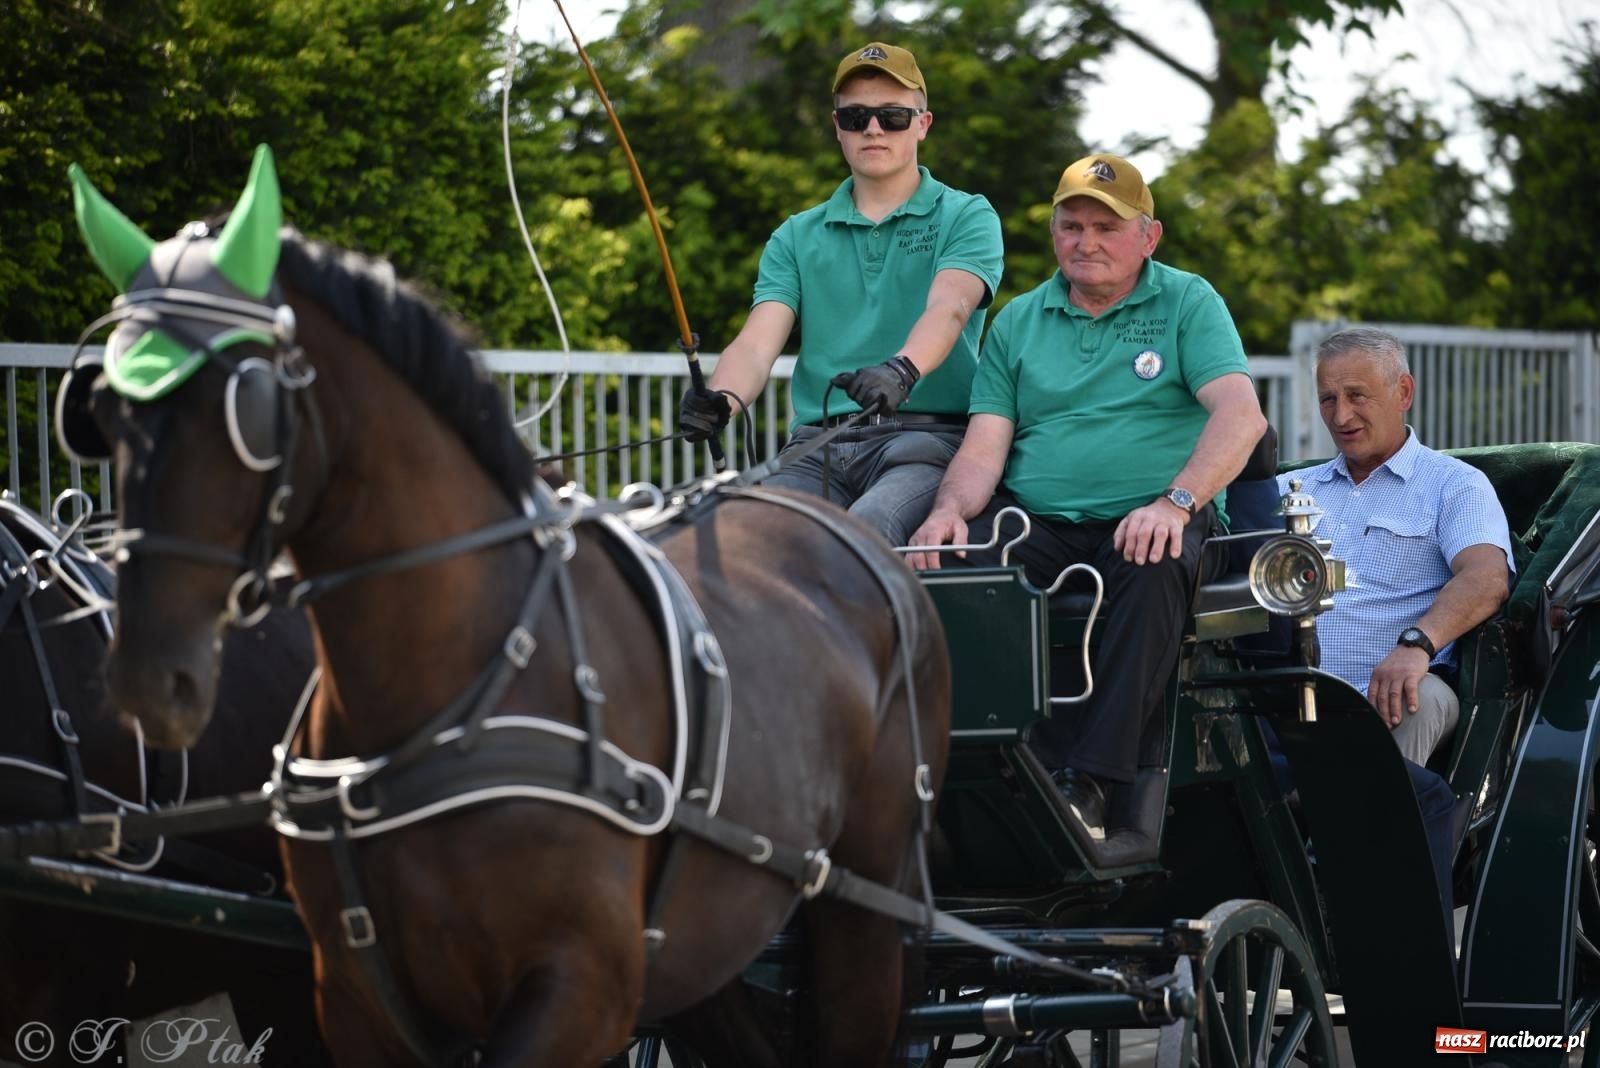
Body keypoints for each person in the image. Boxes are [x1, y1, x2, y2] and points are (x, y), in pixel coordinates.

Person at [907, 153, 1266, 841]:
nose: (1086, 242)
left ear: (1149, 237)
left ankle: (1092, 785)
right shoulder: (1018, 319)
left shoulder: (1187, 301)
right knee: (946, 567)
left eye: (1107, 227)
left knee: (1152, 559)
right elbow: (983, 449)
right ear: (1054, 233)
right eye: (1071, 226)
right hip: (1038, 521)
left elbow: (1241, 416)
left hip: (1157, 515)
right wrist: (948, 511)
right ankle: (962, 778)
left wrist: (1176, 502)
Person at [678, 42, 1004, 546]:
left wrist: (902, 370)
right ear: (837, 127)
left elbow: (951, 307)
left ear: (922, 124)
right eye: (856, 117)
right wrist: (721, 400)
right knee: (741, 536)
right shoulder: (796, 234)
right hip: (816, 449)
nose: (873, 129)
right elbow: (757, 344)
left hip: (924, 443)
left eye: (892, 116)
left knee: (863, 532)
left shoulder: (966, 215)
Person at [1279, 327, 1515, 765]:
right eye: (1328, 399)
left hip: (1399, 687)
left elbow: (1486, 579)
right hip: (1283, 690)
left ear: (1403, 392)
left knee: (1415, 698)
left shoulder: (1455, 485)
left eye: (1357, 395)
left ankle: (1376, 811)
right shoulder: (1289, 490)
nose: (1341, 416)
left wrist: (1416, 646)